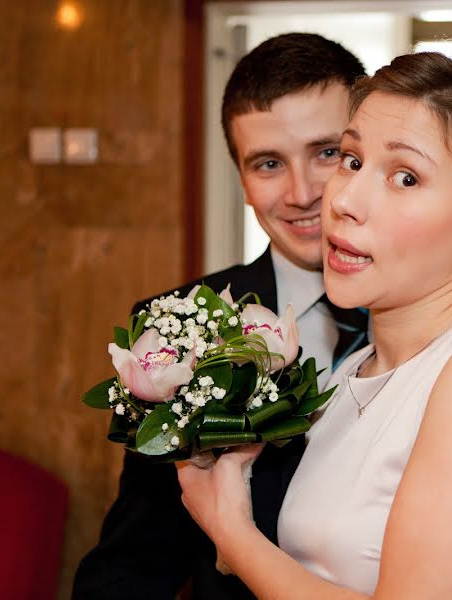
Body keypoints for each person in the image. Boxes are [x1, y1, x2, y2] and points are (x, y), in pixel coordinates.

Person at [177, 51, 452, 600]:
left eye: (405, 177)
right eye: (352, 159)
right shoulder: (352, 372)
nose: (342, 200)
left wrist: (231, 531)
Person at [73, 33, 367, 600]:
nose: (302, 192)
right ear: (241, 180)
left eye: (327, 153)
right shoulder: (173, 329)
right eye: (268, 164)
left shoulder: (443, 328)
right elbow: (137, 557)